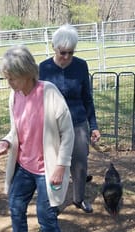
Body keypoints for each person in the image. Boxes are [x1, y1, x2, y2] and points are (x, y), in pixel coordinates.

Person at [0, 45, 74, 232]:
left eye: (13, 78)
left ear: (28, 73)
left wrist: (61, 165)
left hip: (47, 167)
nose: (9, 83)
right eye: (7, 78)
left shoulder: (49, 93)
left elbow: (68, 132)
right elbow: (16, 130)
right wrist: (6, 141)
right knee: (15, 206)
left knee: (45, 214)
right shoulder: (14, 96)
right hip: (25, 164)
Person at [39, 24, 101, 214]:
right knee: (56, 164)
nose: (66, 56)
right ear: (54, 47)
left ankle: (79, 198)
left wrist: (94, 126)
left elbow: (87, 98)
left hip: (78, 122)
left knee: (80, 163)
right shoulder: (44, 68)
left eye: (70, 53)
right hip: (53, 125)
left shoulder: (81, 66)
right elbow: (39, 101)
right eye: (62, 52)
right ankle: (56, 201)